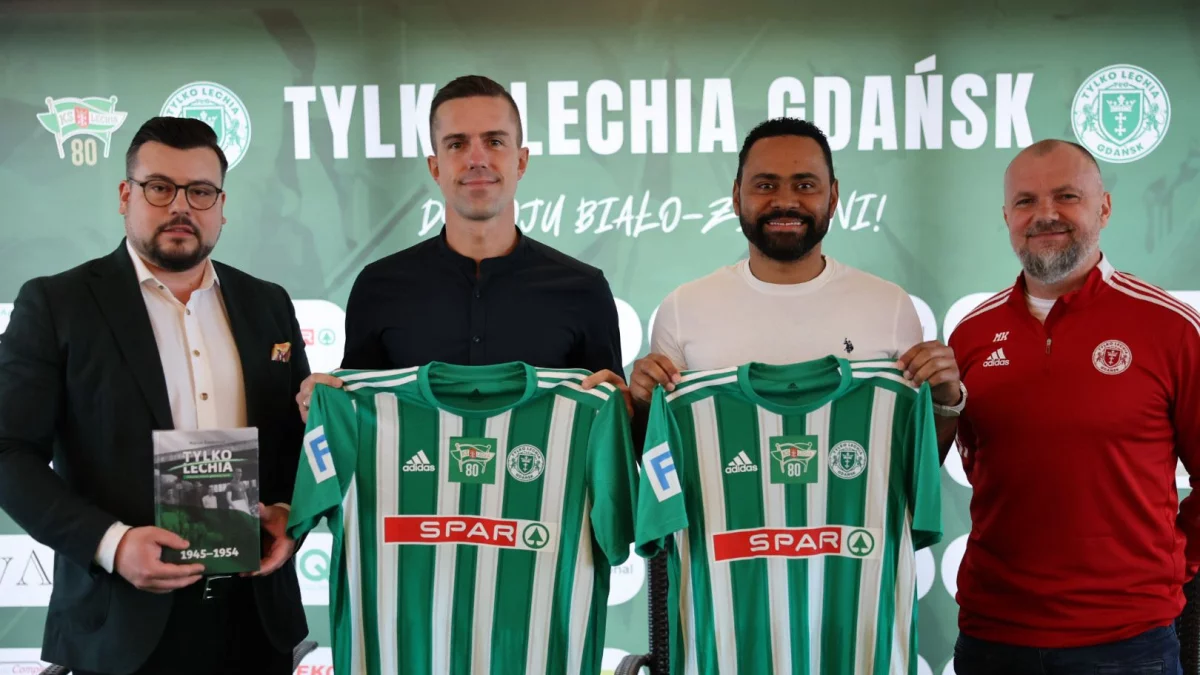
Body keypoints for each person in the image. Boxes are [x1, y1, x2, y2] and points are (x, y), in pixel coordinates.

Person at [0, 117, 310, 675]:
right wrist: (112, 544)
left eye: (201, 191)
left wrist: (291, 514)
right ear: (126, 195)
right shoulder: (58, 304)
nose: (181, 206)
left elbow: (296, 444)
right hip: (120, 625)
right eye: (160, 187)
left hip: (256, 620)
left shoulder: (268, 304)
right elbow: (8, 451)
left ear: (221, 205)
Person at [948, 139, 1198, 674]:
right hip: (992, 637)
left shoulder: (1170, 327)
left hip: (1129, 644)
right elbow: (976, 468)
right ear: (1006, 217)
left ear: (1104, 207)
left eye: (1066, 196)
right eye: (1025, 201)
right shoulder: (970, 335)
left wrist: (1168, 568)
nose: (1045, 214)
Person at [297, 75, 628, 417]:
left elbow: (610, 427)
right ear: (435, 167)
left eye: (495, 142)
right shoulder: (377, 287)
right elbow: (357, 422)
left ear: (521, 162)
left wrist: (627, 408)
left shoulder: (585, 290)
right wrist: (320, 407)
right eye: (456, 144)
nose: (476, 159)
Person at [629, 117, 964, 449]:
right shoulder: (683, 308)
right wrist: (643, 404)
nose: (786, 202)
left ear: (832, 197)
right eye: (765, 185)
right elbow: (662, 459)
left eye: (805, 186)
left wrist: (945, 401)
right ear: (736, 196)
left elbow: (913, 459)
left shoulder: (890, 306)